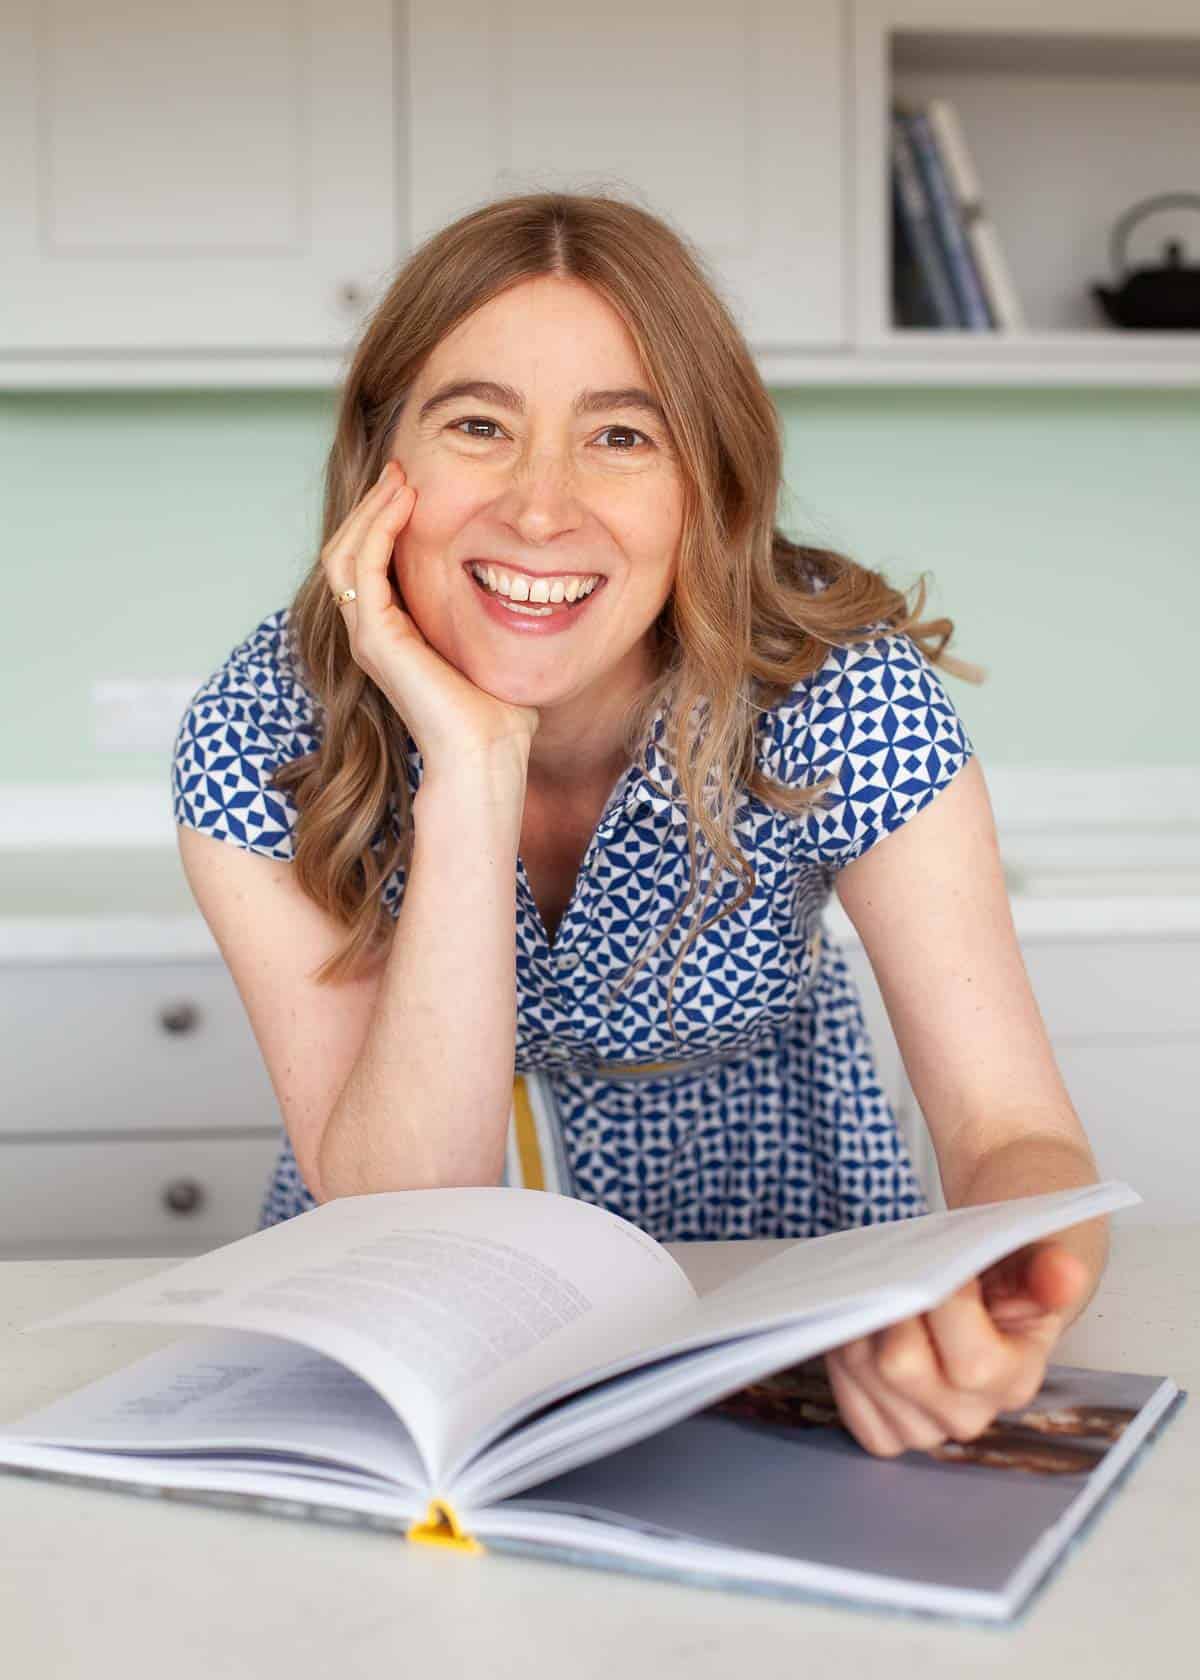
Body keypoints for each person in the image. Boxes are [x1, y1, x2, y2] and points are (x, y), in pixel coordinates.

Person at [172, 191, 1108, 1460]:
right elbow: (400, 1213)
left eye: (621, 435)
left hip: (785, 1262)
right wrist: (473, 761)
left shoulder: (838, 692)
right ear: (379, 462)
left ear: (703, 483)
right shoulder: (260, 730)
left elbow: (1013, 1130)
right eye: (478, 424)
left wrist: (1000, 1295)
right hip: (421, 1307)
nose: (542, 507)